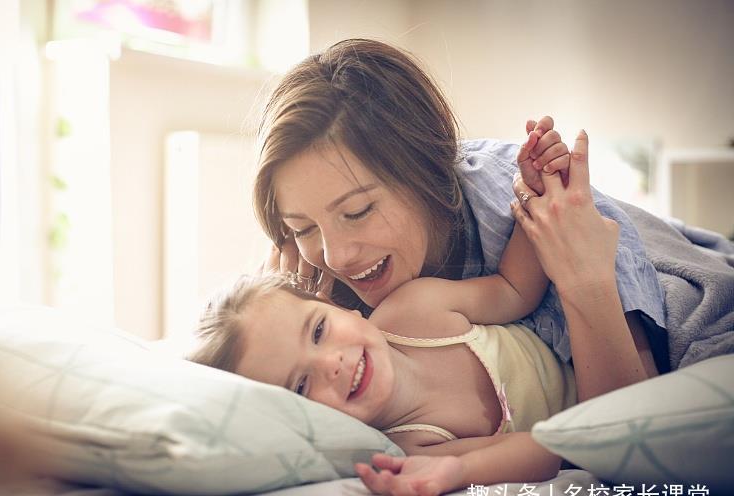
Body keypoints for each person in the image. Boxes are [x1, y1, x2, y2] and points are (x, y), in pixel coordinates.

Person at [188, 132, 643, 494]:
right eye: (302, 386)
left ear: (331, 303)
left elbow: (513, 291)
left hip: (587, 355)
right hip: (589, 413)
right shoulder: (406, 441)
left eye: (320, 330)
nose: (333, 364)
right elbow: (546, 451)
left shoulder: (412, 311)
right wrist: (454, 472)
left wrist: (535, 191)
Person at [253, 38, 669, 382]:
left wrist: (585, 279)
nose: (336, 255)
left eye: (358, 211)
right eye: (303, 227)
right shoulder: (312, 290)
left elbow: (630, 427)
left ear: (427, 170)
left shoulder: (533, 209)